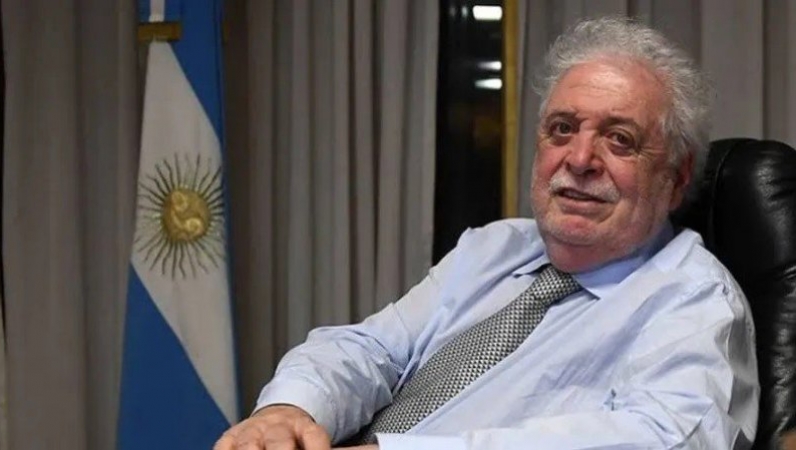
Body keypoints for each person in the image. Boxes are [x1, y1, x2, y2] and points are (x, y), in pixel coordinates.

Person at [215, 17, 759, 450]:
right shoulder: (496, 247)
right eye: (562, 129)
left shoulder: (693, 298)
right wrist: (290, 409)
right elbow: (372, 349)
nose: (579, 159)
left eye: (619, 139)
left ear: (676, 177)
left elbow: (666, 438)